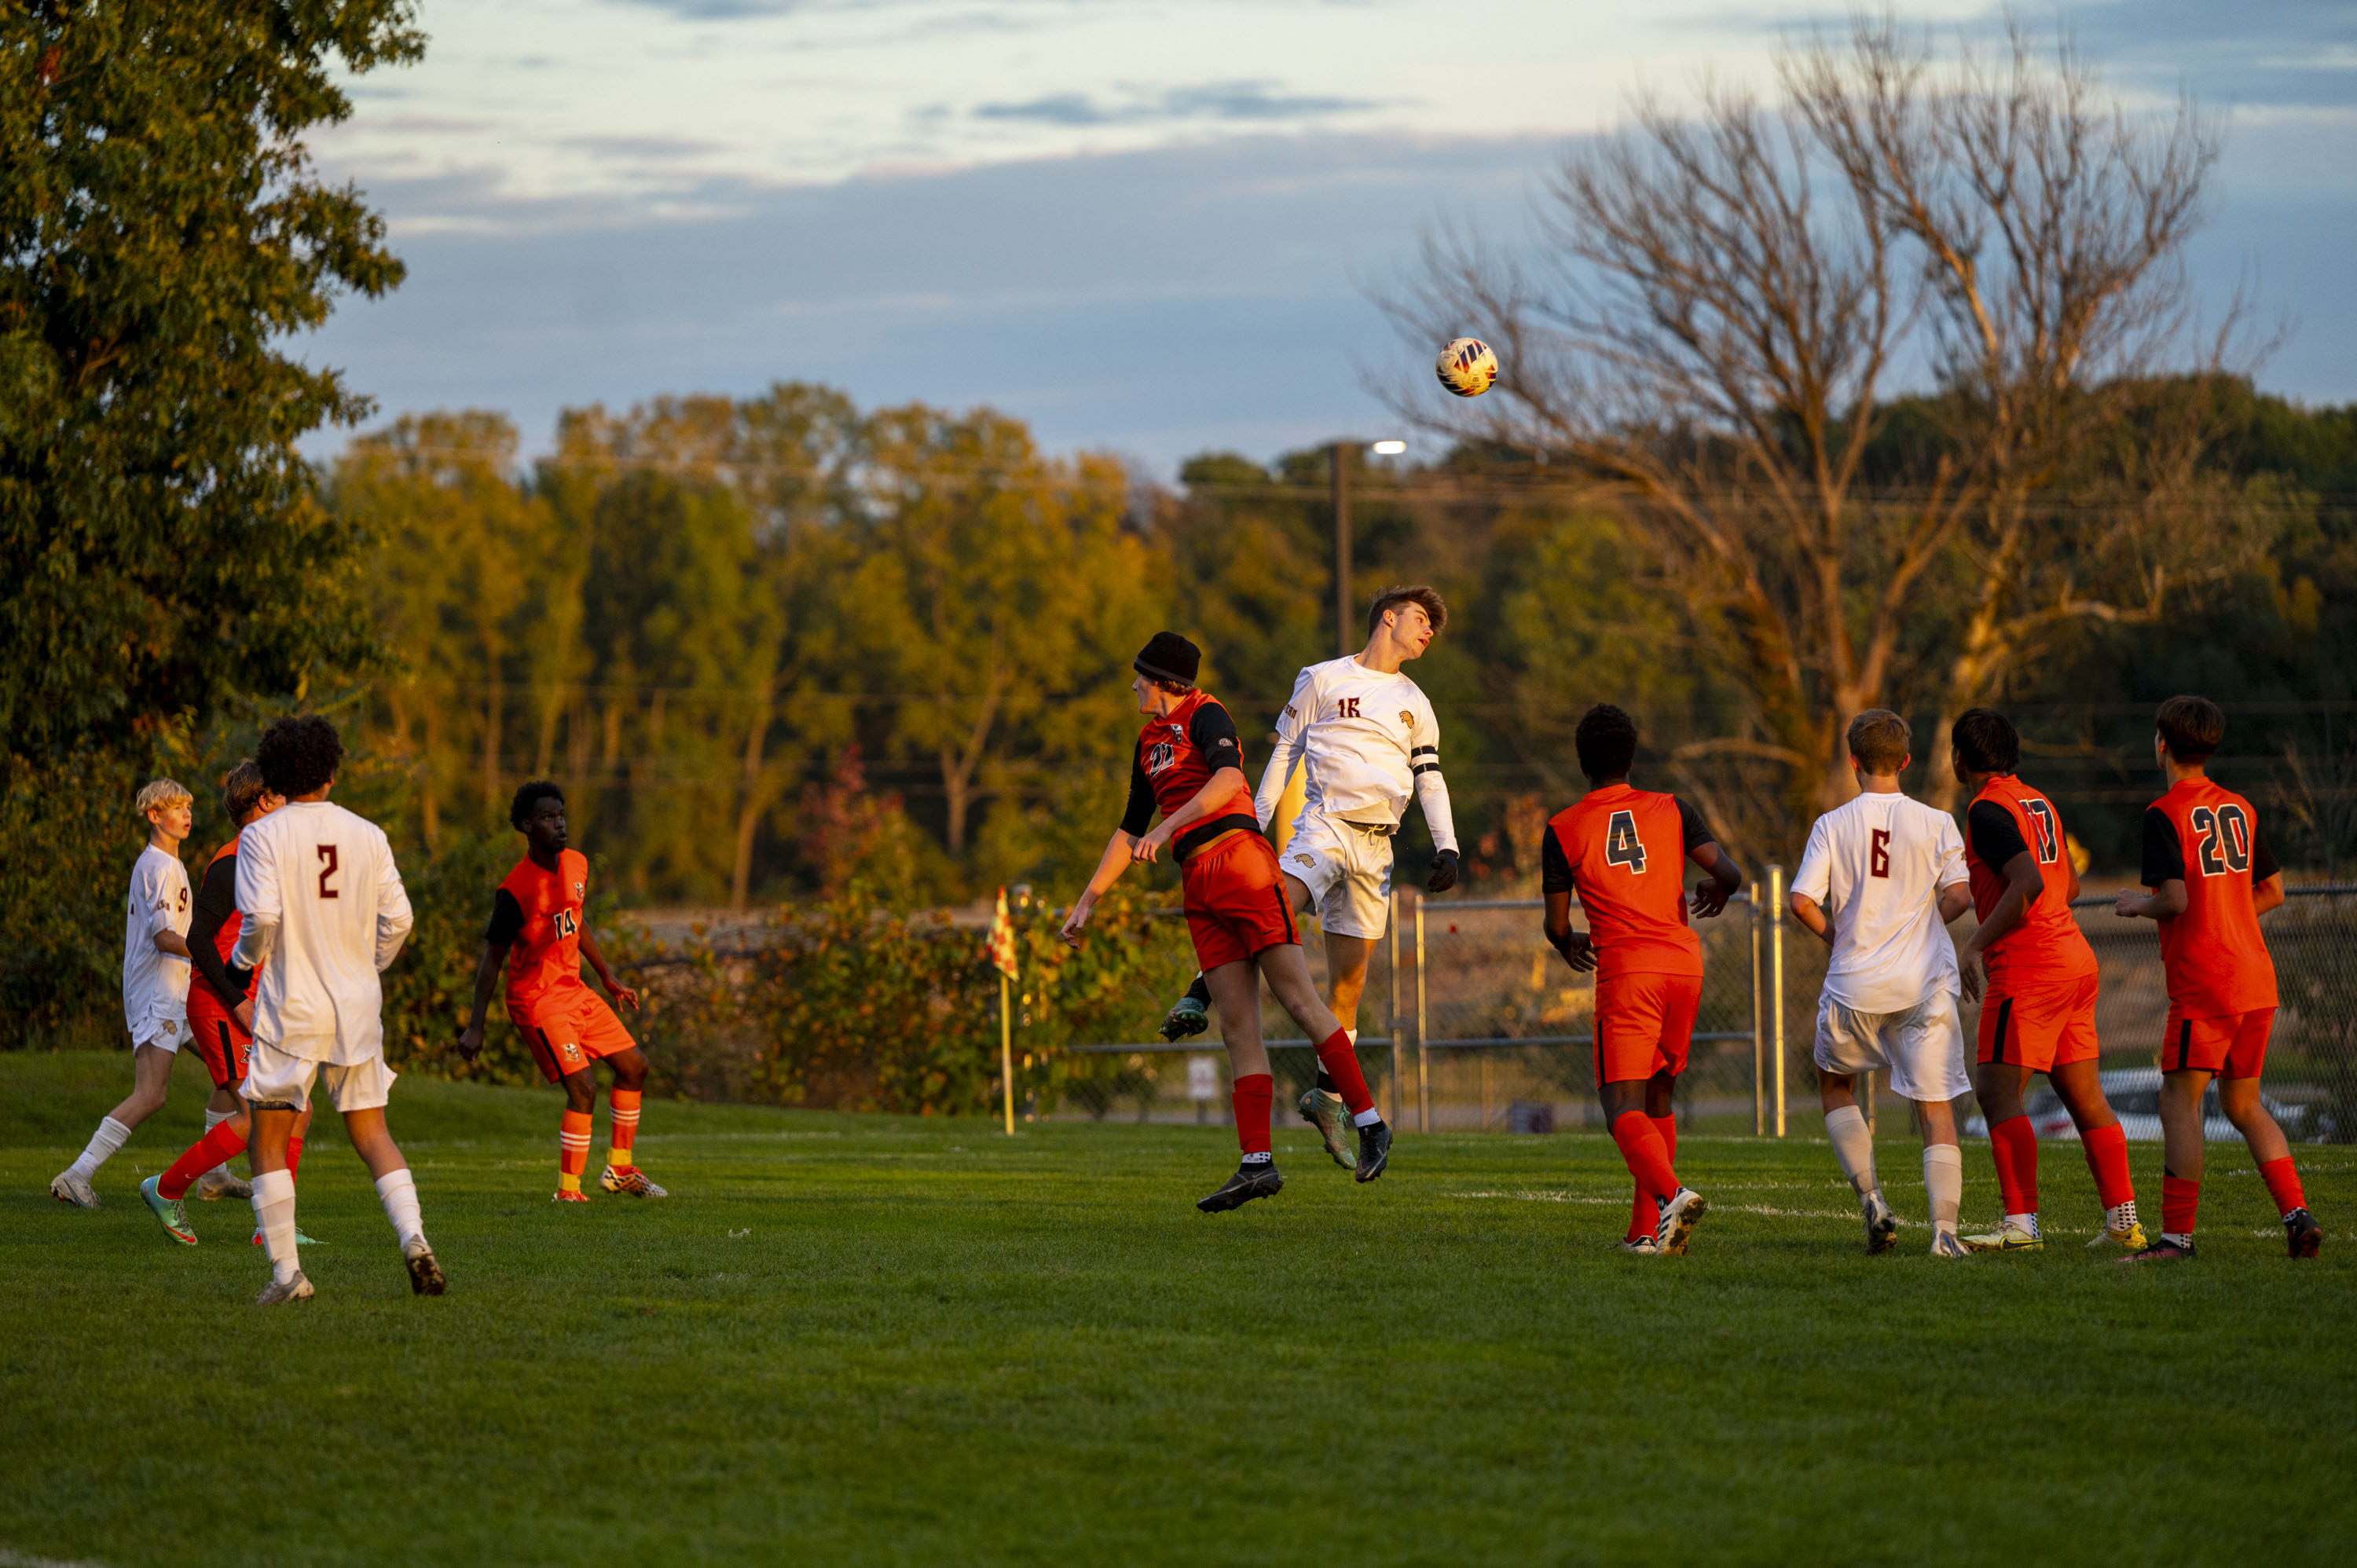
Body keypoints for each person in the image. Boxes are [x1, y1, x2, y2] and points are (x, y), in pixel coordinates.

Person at [1063, 632, 1391, 1211]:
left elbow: (1230, 782)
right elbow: (1129, 826)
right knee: (1237, 1026)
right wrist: (1089, 897)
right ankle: (1256, 1164)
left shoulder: (1206, 713)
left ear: (1164, 679)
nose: (1133, 684)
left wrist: (1167, 831)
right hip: (1198, 882)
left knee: (1297, 999)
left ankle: (1370, 1123)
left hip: (1240, 865)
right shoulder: (1147, 742)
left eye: (1141, 675)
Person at [1156, 588, 1461, 1169]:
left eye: (1434, 628)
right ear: (1388, 618)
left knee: (1349, 986)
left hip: (1378, 850)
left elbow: (1430, 778)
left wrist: (1447, 844)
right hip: (1323, 828)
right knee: (1275, 903)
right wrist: (1253, 824)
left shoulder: (1415, 701)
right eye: (1423, 620)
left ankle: (1327, 1098)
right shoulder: (1321, 678)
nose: (1429, 633)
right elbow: (1284, 755)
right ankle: (1200, 990)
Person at [231, 714, 443, 1303]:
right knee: (373, 1132)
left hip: (291, 1008)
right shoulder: (367, 834)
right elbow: (399, 920)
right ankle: (416, 1241)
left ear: (274, 776)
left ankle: (287, 1276)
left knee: (267, 1139)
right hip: (355, 1005)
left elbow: (263, 920)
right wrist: (366, 965)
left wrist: (243, 964)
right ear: (329, 772)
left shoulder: (262, 836)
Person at [2113, 696, 2321, 1262]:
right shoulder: (2241, 808)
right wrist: (2225, 911)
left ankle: (2176, 1240)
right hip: (2255, 978)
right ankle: (2298, 1215)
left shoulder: (2164, 812)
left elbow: (2175, 899)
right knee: (2244, 1105)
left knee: (2177, 1100)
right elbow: (2273, 890)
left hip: (2207, 983)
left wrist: (2137, 905)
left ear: (2162, 743)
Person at [1541, 704, 1740, 1256]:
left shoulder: (1563, 827)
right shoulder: (1672, 808)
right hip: (1683, 964)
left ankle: (1672, 1194)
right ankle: (1644, 1234)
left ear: (1583, 762)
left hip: (1629, 971)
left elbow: (1556, 925)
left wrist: (1569, 943)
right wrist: (1716, 891)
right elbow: (1728, 872)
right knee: (1658, 1101)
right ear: (1632, 756)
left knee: (1620, 1108)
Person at [1949, 709, 2144, 1253]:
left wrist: (1976, 942)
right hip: (2074, 960)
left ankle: (2021, 1224)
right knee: (2086, 1099)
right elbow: (2069, 885)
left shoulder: (1986, 809)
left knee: (1995, 1091)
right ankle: (2124, 1222)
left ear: (1960, 758)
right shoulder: (2037, 800)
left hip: (2030, 967)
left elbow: (2029, 881)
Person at [1789, 711, 1974, 1258]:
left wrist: (1839, 938)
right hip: (1923, 984)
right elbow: (1961, 897)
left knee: (1834, 1086)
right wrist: (1921, 927)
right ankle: (1945, 1233)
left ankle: (1872, 1198)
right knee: (1934, 1105)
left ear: (1853, 763)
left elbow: (1801, 901)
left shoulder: (1832, 824)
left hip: (1855, 985)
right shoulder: (1937, 821)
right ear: (1907, 762)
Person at [141, 760, 325, 1246]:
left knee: (297, 1111)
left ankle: (273, 1229)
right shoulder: (233, 860)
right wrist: (241, 1001)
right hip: (220, 1003)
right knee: (258, 1116)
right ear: (264, 802)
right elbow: (199, 940)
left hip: (254, 1006)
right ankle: (166, 1188)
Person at [457, 779, 662, 1201]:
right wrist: (476, 1026)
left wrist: (607, 976)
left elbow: (577, 919)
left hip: (574, 990)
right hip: (536, 1001)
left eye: (561, 815)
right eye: (548, 818)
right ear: (527, 826)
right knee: (583, 1087)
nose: (559, 824)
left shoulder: (577, 864)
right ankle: (568, 1193)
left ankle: (620, 1171)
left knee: (634, 1067)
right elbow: (491, 962)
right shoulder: (515, 892)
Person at [51, 779, 200, 1207]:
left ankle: (216, 1174)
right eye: (176, 808)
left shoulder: (167, 863)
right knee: (152, 1093)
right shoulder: (160, 866)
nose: (187, 815)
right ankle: (78, 1174)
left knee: (227, 1069)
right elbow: (165, 938)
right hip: (159, 993)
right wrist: (214, 958)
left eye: (189, 807)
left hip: (174, 990)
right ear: (155, 816)